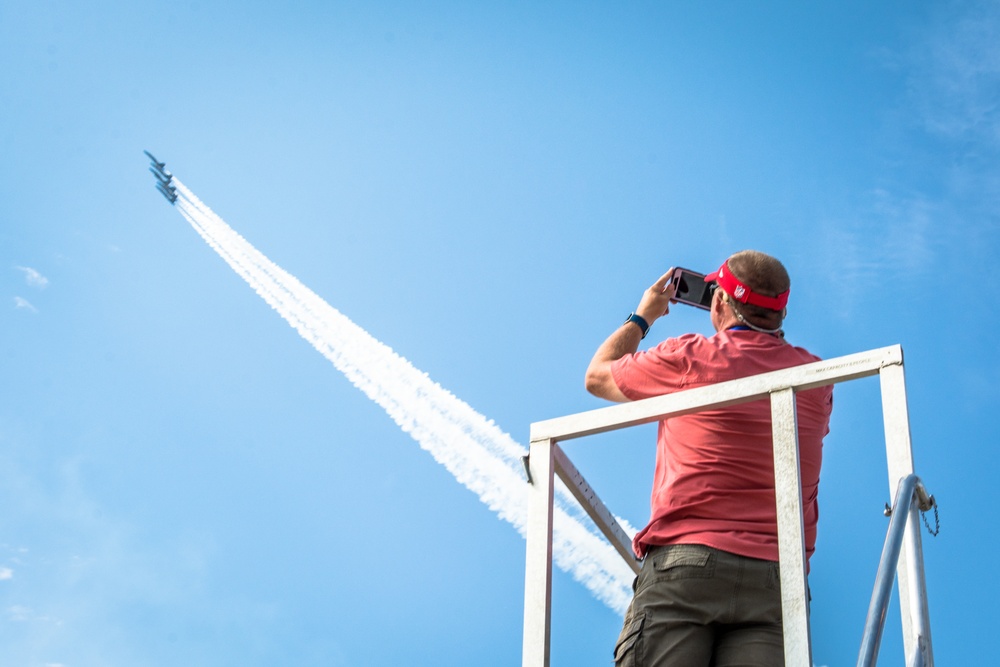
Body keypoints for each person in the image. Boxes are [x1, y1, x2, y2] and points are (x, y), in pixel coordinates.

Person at [585, 250, 833, 667]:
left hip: (687, 564)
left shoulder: (690, 356)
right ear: (783, 311)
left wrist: (643, 316)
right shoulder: (816, 379)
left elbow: (598, 376)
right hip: (778, 579)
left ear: (718, 301)